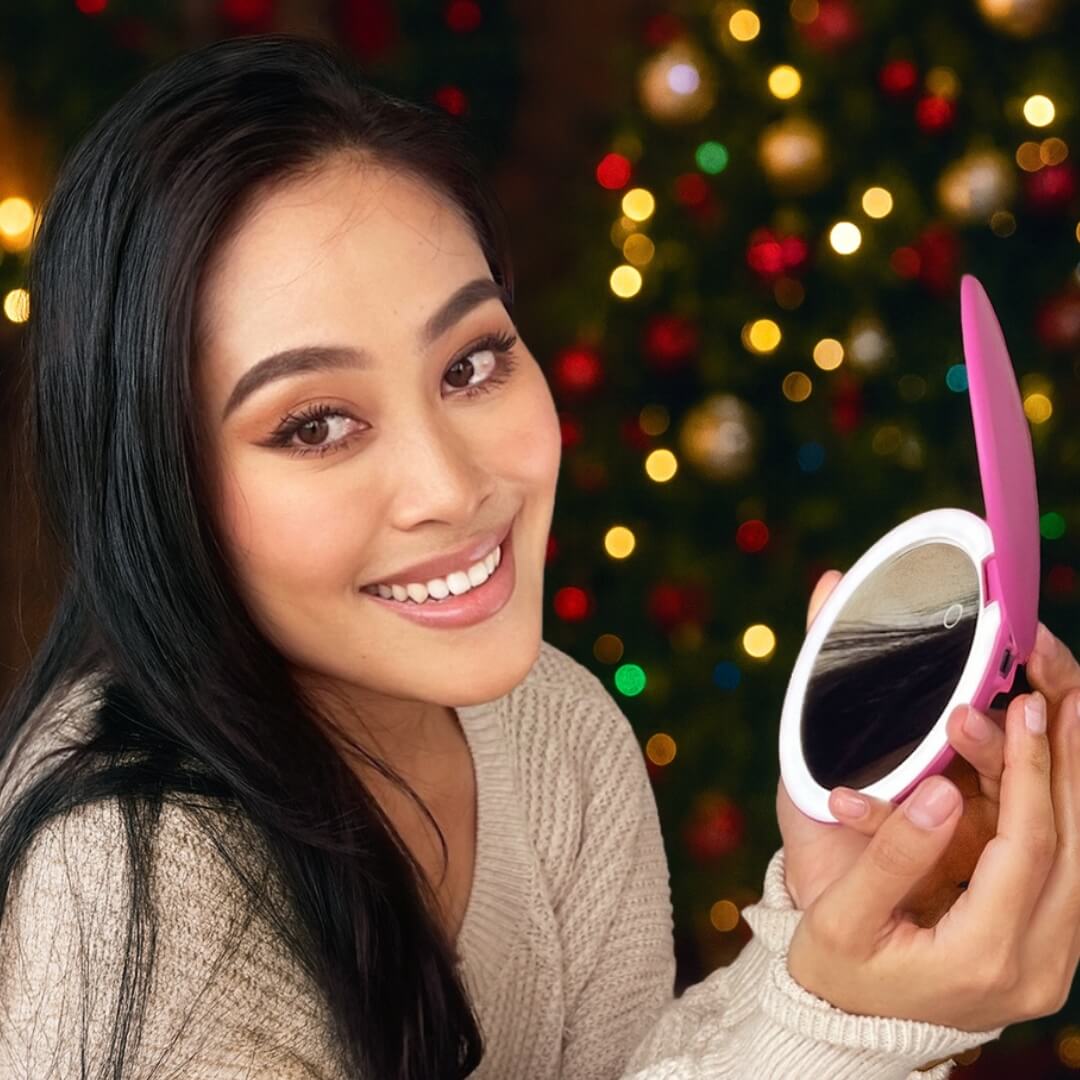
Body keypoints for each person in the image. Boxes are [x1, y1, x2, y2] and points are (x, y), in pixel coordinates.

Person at [0, 31, 1076, 1080]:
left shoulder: (557, 737)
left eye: (471, 364)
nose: (455, 487)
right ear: (156, 483)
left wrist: (834, 937)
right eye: (315, 425)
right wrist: (837, 1022)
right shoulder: (124, 887)